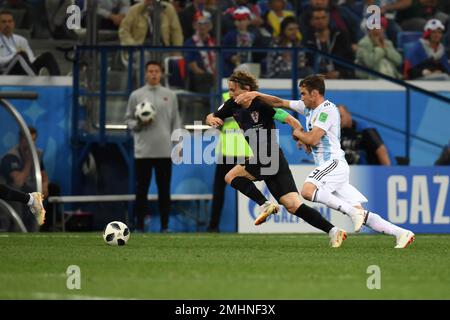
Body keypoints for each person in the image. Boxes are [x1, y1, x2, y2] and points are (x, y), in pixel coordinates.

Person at [235, 74, 415, 248]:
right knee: (362, 213)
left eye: (304, 94)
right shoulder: (308, 108)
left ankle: (352, 214)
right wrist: (257, 95)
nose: (301, 98)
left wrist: (299, 134)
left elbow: (312, 139)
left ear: (315, 93)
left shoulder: (327, 109)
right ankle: (401, 233)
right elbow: (280, 102)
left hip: (333, 163)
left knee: (307, 191)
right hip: (330, 168)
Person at [206, 70, 348, 248]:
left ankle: (265, 204)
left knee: (230, 176)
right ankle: (334, 231)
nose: (231, 93)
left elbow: (291, 120)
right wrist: (211, 119)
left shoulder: (262, 105)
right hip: (274, 159)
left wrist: (301, 138)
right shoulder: (231, 105)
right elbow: (211, 115)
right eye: (229, 89)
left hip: (268, 155)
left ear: (247, 90)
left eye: (234, 90)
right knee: (293, 205)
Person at [125, 60, 181, 232]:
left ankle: (165, 227)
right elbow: (128, 120)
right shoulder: (136, 95)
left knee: (164, 191)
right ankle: (139, 226)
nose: (154, 74)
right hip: (143, 152)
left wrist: (178, 144)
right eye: (150, 71)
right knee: (141, 190)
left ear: (161, 73)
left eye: (156, 71)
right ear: (146, 73)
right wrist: (139, 123)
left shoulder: (170, 95)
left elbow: (176, 121)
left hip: (164, 151)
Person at [0, 126, 50, 231]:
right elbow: (18, 182)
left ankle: (42, 229)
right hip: (14, 189)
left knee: (52, 189)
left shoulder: (37, 154)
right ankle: (19, 229)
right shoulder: (11, 156)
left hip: (29, 188)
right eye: (28, 140)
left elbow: (43, 174)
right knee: (15, 189)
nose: (31, 144)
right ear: (21, 139)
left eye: (33, 141)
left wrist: (45, 185)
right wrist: (28, 162)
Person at [0, 10, 61, 75]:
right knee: (20, 55)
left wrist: (38, 58)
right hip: (6, 72)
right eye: (4, 22)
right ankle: (35, 80)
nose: (7, 24)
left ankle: (58, 81)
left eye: (10, 21)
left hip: (25, 68)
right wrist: (15, 55)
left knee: (47, 56)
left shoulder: (21, 40)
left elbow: (30, 58)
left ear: (13, 23)